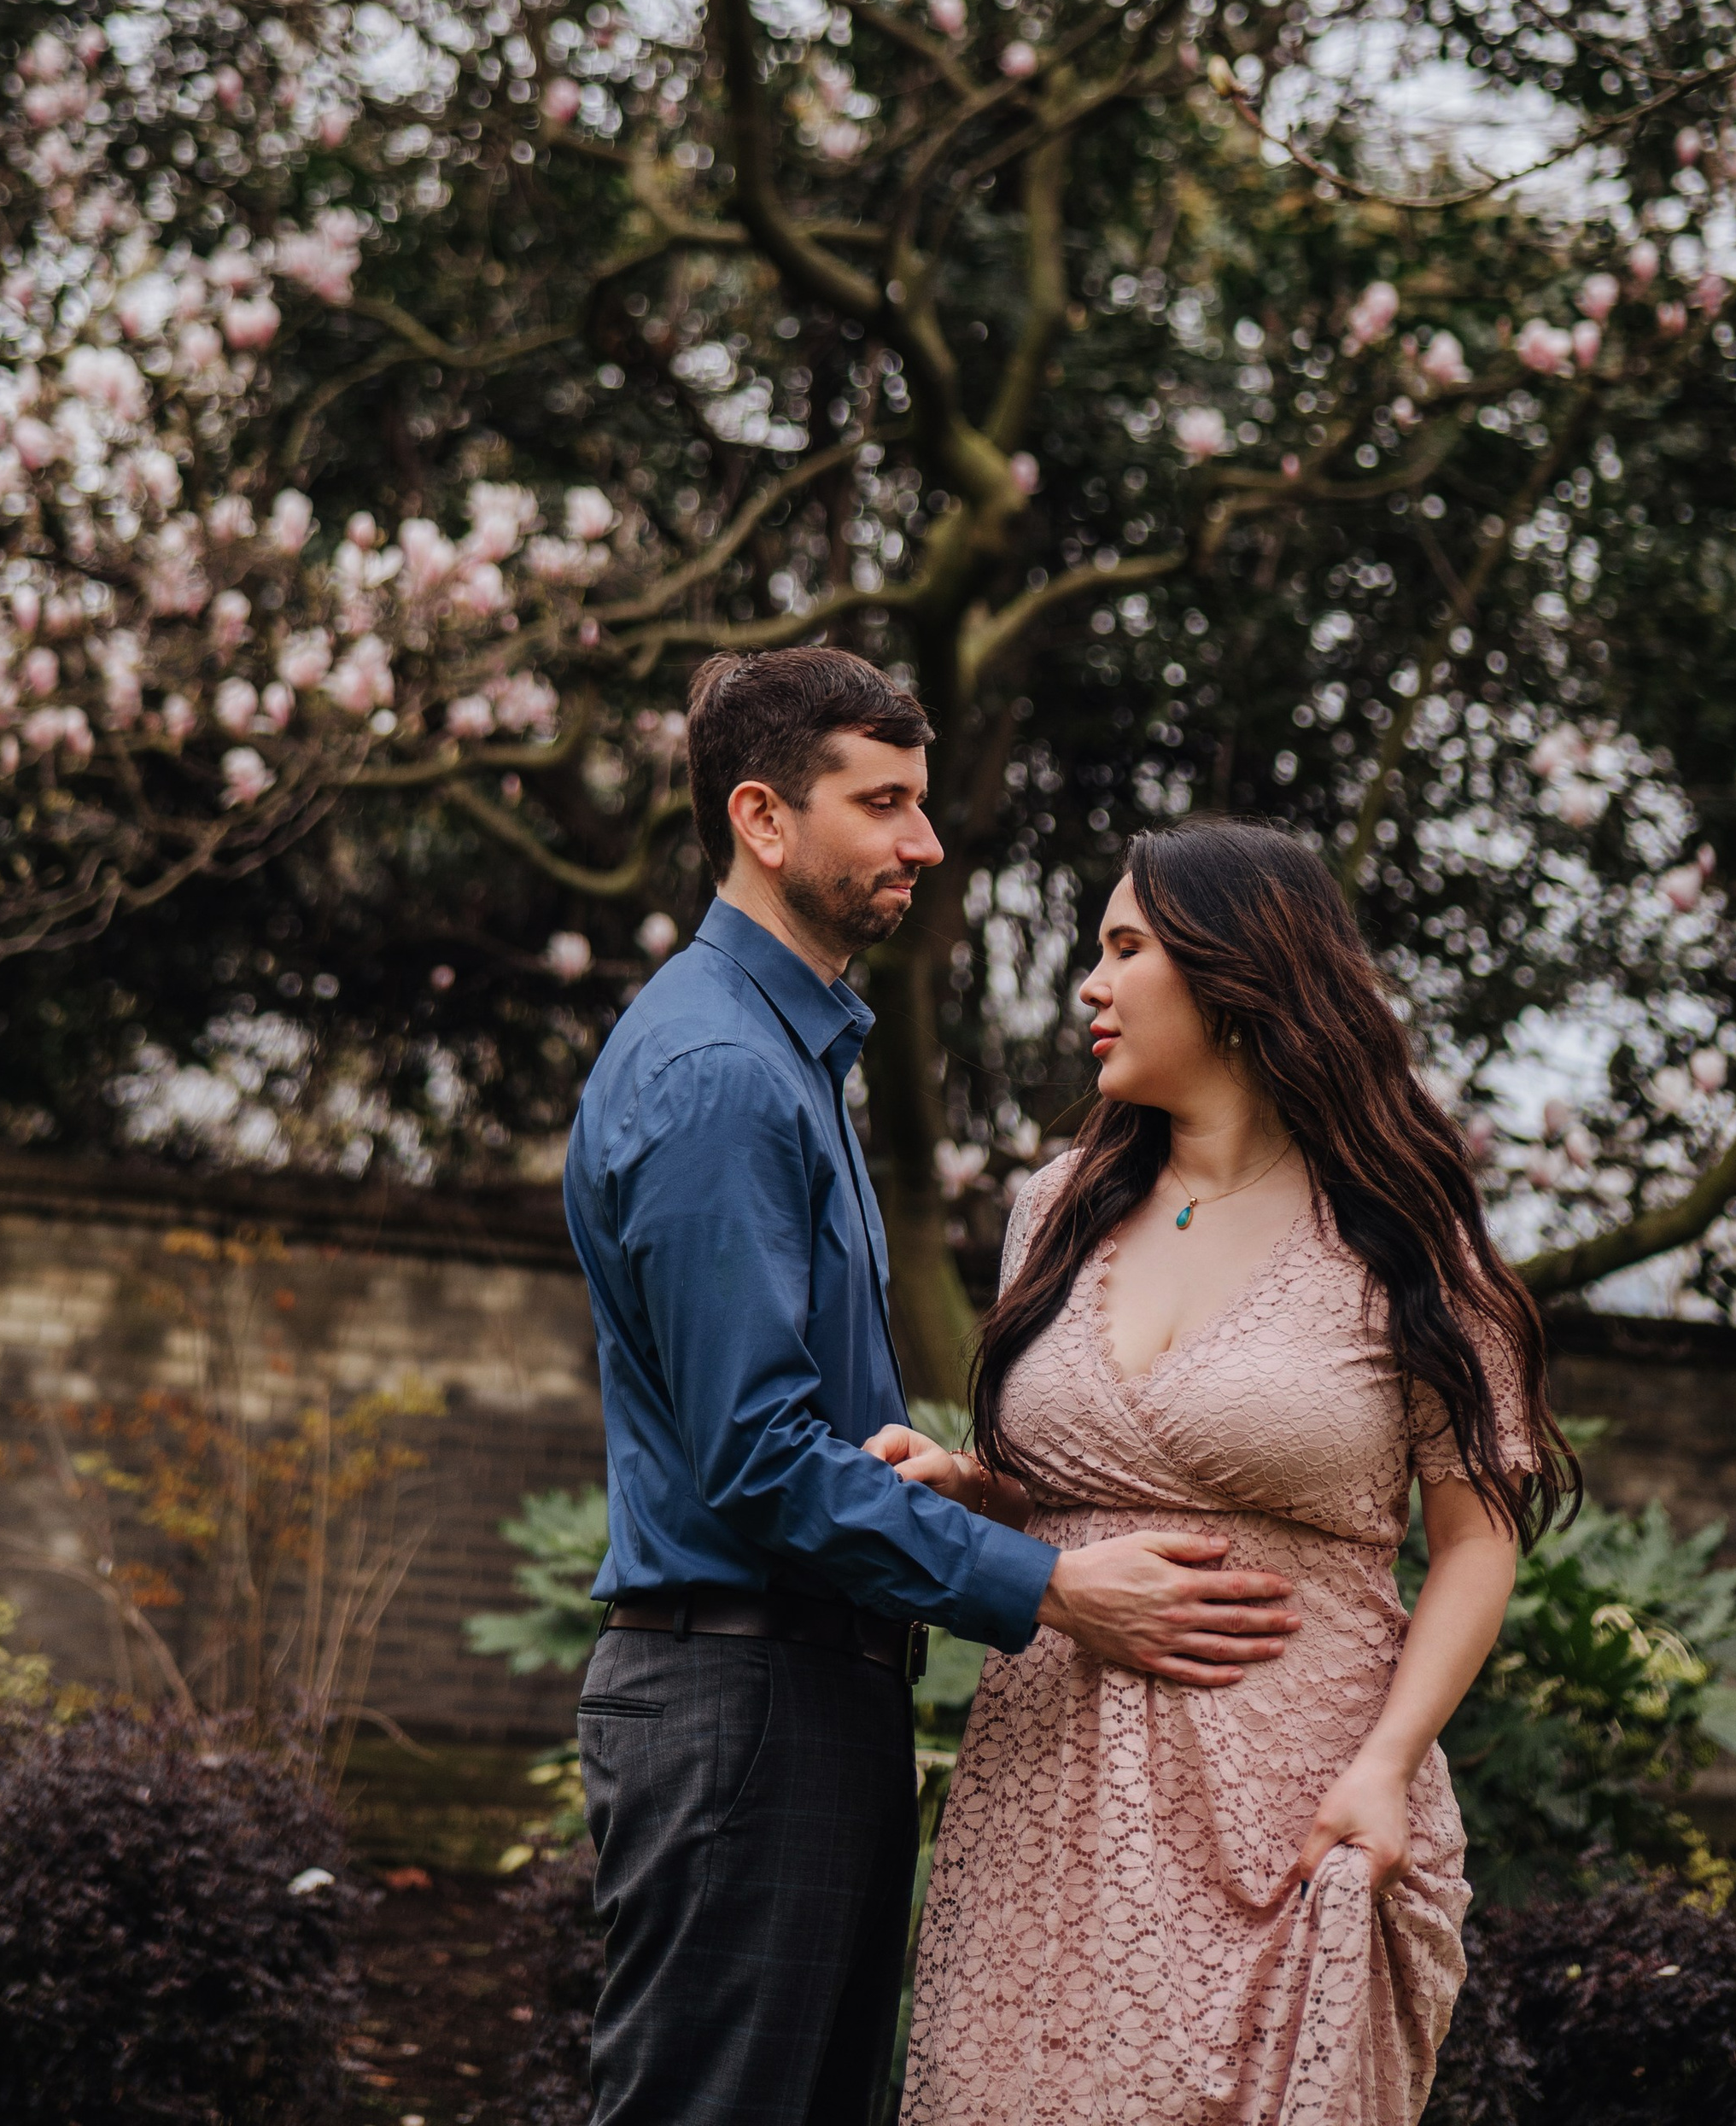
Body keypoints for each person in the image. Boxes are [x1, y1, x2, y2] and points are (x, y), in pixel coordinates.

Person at [562, 654, 1306, 2126]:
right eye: (884, 803)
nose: (927, 841)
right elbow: (758, 1463)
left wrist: (959, 1486)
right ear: (764, 819)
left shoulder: (789, 1055)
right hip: (745, 1697)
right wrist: (1049, 1588)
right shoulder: (721, 1070)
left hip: (797, 1692)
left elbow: (795, 1439)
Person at [881, 819, 1576, 2126]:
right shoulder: (1054, 1206)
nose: (1090, 984)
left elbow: (1478, 1540)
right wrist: (979, 1486)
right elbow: (1076, 1479)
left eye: (1126, 947)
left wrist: (1385, 1767)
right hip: (1049, 1802)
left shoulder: (1406, 1235)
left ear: (1238, 971)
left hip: (1293, 1812)